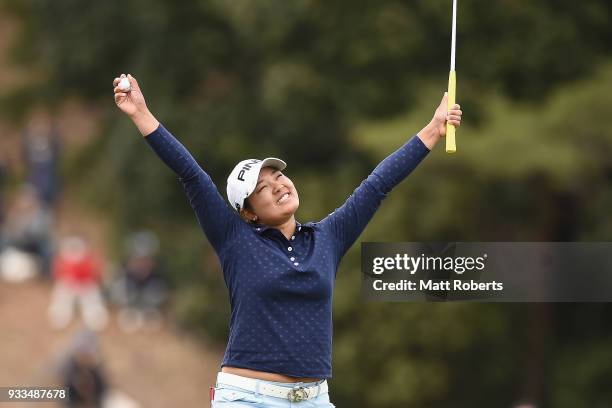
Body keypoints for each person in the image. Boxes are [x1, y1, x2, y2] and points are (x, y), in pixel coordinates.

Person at [113, 73, 462, 407]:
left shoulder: (327, 237)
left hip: (314, 399)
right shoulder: (235, 239)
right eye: (263, 188)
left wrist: (433, 130)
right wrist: (141, 113)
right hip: (248, 398)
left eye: (278, 176)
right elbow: (191, 174)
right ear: (248, 212)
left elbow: (377, 185)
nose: (278, 185)